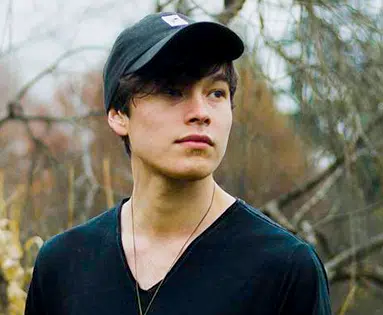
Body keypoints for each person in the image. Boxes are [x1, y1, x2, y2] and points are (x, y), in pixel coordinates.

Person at [24, 11, 332, 315]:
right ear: (119, 114)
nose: (201, 112)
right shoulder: (63, 267)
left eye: (216, 93)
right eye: (173, 91)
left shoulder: (284, 269)